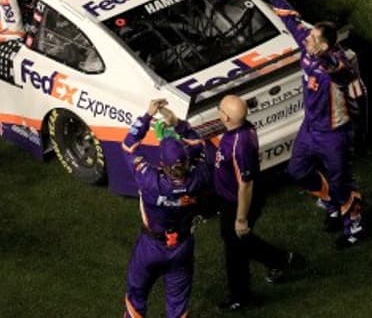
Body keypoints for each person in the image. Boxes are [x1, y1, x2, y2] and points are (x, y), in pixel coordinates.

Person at [253, 0, 366, 247]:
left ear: (326, 46)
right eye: (311, 35)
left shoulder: (339, 63)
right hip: (310, 127)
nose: (308, 39)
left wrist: (323, 58)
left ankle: (354, 226)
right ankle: (331, 203)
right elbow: (290, 17)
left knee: (342, 182)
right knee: (297, 171)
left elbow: (339, 72)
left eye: (314, 38)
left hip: (334, 134)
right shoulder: (308, 46)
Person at [121, 99, 212, 318]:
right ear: (187, 162)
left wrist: (147, 116)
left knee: (136, 298)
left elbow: (128, 145)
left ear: (161, 163)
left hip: (150, 247)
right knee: (177, 303)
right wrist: (178, 124)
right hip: (181, 247)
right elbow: (200, 144)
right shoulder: (200, 177)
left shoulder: (150, 180)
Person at [206, 95, 294, 310]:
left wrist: (241, 218)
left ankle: (240, 297)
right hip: (231, 198)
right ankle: (279, 259)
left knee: (235, 248)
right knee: (237, 240)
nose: (218, 111)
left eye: (220, 109)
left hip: (238, 202)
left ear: (226, 118)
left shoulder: (239, 146)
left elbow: (245, 185)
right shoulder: (243, 128)